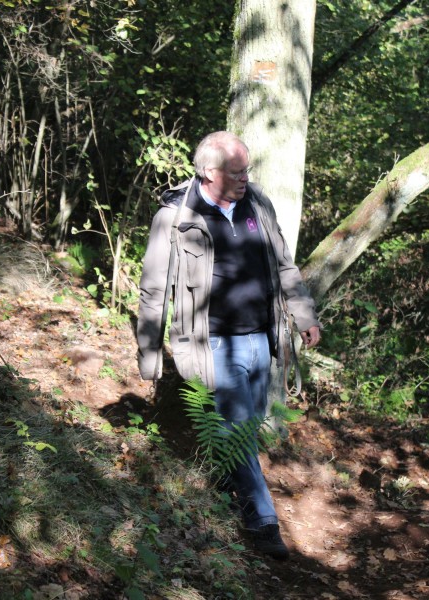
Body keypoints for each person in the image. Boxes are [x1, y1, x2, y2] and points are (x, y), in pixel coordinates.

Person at [136, 131, 321, 560]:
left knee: (245, 428)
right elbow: (154, 288)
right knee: (237, 428)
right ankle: (263, 520)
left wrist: (305, 315)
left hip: (261, 338)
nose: (245, 178)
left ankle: (220, 489)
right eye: (237, 172)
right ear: (208, 172)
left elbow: (284, 265)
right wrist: (149, 353)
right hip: (211, 343)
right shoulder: (176, 216)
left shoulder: (258, 204)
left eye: (247, 170)